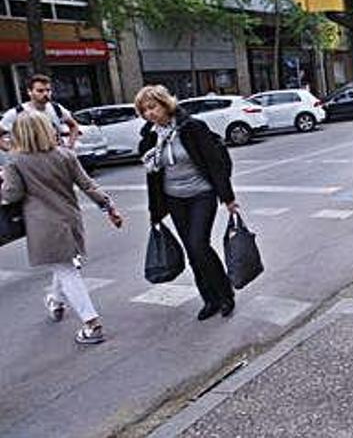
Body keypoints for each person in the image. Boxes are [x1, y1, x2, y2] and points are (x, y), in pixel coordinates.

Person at [0, 111, 123, 345]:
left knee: (66, 270)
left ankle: (92, 323)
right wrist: (109, 208)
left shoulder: (16, 161)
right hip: (70, 218)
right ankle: (55, 301)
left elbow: (12, 195)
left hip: (43, 225)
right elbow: (87, 184)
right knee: (64, 263)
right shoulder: (65, 155)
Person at [135, 85, 237, 321]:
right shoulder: (151, 136)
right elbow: (152, 175)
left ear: (165, 104)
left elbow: (214, 163)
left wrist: (228, 198)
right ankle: (209, 299)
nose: (149, 114)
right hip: (174, 199)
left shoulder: (191, 128)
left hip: (202, 194)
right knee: (193, 252)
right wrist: (156, 212)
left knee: (199, 244)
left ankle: (225, 295)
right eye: (144, 111)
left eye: (153, 107)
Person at [0, 73, 80, 151]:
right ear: (29, 92)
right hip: (30, 159)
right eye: (40, 91)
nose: (45, 94)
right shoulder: (17, 112)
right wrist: (11, 151)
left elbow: (73, 125)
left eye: (48, 90)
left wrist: (70, 145)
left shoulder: (56, 108)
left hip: (55, 157)